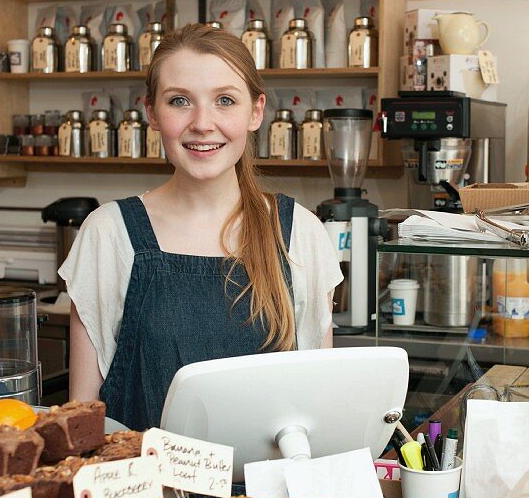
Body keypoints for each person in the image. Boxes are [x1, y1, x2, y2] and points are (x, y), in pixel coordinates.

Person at [61, 23, 343, 431]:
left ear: (256, 112)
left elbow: (317, 410)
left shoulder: (301, 234)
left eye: (225, 100)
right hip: (147, 490)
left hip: (264, 494)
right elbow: (82, 423)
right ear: (152, 113)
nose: (202, 123)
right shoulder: (108, 234)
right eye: (180, 101)